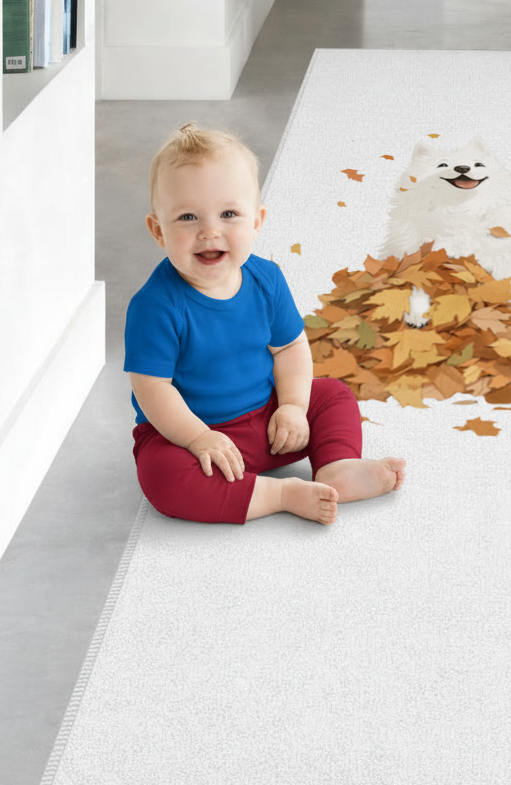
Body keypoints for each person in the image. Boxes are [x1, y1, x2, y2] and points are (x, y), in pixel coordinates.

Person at [124, 122, 406, 525]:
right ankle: (278, 494)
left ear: (256, 221)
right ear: (158, 230)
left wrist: (292, 407)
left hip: (270, 422)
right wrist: (198, 437)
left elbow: (290, 348)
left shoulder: (266, 279)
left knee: (332, 396)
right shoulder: (154, 306)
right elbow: (152, 389)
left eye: (229, 214)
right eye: (187, 217)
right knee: (161, 476)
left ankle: (336, 467)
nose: (209, 231)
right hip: (189, 435)